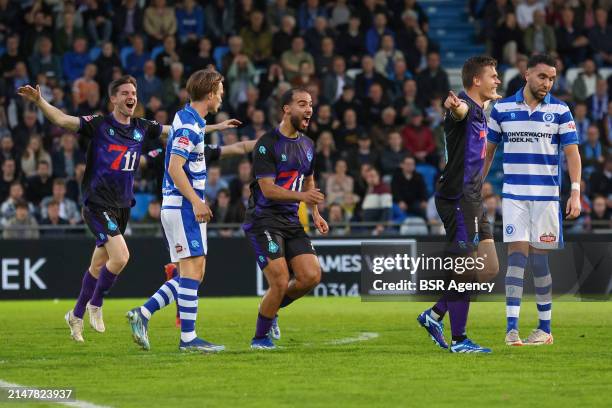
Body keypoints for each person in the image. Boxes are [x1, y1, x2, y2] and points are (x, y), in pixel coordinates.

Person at [18, 75, 172, 343]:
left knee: (98, 265)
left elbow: (175, 131)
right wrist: (41, 101)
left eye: (133, 92)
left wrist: (210, 126)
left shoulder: (142, 127)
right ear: (113, 98)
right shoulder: (99, 125)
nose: (130, 96)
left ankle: (75, 315)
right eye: (124, 92)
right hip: (96, 203)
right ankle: (95, 304)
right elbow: (63, 120)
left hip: (122, 205)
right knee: (121, 257)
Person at [126, 68, 250, 353]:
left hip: (180, 207)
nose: (221, 96)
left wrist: (217, 128)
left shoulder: (186, 116)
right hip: (183, 207)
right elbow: (173, 167)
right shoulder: (188, 126)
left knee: (194, 272)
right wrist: (196, 201)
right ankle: (188, 339)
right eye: (219, 91)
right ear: (209, 94)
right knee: (192, 272)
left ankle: (143, 314)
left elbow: (191, 133)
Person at [485, 54, 582, 346]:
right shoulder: (501, 108)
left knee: (540, 263)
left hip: (547, 198)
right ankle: (511, 329)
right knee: (516, 257)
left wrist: (575, 190)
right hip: (514, 195)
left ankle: (544, 329)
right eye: (542, 76)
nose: (547, 83)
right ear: (527, 74)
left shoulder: (561, 110)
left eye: (552, 78)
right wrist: (475, 184)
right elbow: (488, 151)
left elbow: (572, 153)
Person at [417, 56, 501, 353]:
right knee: (464, 268)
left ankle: (435, 314)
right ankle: (460, 339)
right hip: (457, 198)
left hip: (474, 198)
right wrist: (455, 107)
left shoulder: (481, 108)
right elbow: (459, 112)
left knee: (488, 268)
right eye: (493, 76)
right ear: (476, 80)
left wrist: (490, 101)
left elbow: (476, 109)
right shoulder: (464, 106)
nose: (498, 80)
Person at [243, 88, 329, 349]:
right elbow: (268, 190)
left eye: (311, 104)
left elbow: (309, 178)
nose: (309, 109)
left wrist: (315, 212)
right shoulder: (267, 144)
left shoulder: (307, 145)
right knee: (279, 281)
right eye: (302, 104)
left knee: (311, 276)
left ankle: (271, 310)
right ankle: (259, 338)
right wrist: (304, 198)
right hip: (263, 220)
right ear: (286, 109)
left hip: (291, 221)